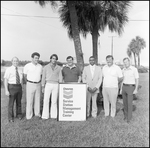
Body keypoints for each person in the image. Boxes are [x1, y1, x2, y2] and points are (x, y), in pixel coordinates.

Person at [41, 54, 62, 119]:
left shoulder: (59, 68)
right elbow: (43, 77)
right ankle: (45, 115)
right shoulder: (46, 67)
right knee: (46, 100)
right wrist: (43, 86)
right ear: (50, 59)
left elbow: (60, 77)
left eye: (55, 59)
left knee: (54, 101)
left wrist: (60, 85)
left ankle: (53, 115)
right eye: (53, 58)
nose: (54, 60)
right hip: (48, 84)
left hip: (56, 85)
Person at [23, 52, 43, 120]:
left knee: (37, 100)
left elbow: (41, 75)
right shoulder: (27, 66)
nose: (36, 59)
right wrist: (29, 83)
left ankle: (37, 114)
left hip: (38, 84)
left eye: (38, 58)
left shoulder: (40, 66)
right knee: (29, 100)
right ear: (32, 58)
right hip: (30, 84)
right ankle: (29, 115)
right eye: (35, 58)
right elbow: (25, 76)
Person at [4, 57, 23, 122]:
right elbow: (5, 79)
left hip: (19, 87)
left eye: (17, 61)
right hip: (12, 87)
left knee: (19, 102)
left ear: (18, 62)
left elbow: (21, 80)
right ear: (12, 62)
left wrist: (21, 87)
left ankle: (19, 115)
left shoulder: (20, 69)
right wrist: (6, 90)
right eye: (14, 61)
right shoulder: (8, 69)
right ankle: (10, 118)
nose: (15, 62)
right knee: (11, 103)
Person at [120, 57, 139, 123]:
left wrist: (136, 89)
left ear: (129, 62)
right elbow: (122, 80)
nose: (126, 63)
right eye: (124, 62)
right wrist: (121, 89)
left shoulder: (134, 69)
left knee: (129, 103)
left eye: (127, 61)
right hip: (124, 87)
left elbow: (136, 79)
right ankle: (125, 115)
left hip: (131, 87)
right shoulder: (123, 70)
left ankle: (129, 118)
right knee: (124, 103)